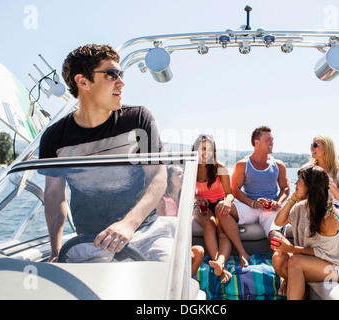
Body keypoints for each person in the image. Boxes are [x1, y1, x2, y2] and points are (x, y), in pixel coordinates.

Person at [39, 44, 171, 263]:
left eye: (120, 74)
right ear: (82, 82)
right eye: (111, 75)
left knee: (168, 287)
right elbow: (54, 194)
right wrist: (55, 251)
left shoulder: (138, 119)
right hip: (89, 241)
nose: (121, 82)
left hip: (146, 234)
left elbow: (158, 175)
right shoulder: (54, 137)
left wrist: (129, 224)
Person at [271, 166, 339, 300]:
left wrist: (292, 249)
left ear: (311, 186)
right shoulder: (301, 207)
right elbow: (279, 221)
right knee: (278, 257)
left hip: (336, 266)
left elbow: (323, 253)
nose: (295, 183)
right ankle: (301, 290)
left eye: (299, 181)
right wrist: (293, 198)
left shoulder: (328, 217)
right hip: (314, 262)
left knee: (296, 261)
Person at [217, 126, 290, 267]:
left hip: (270, 210)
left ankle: (285, 266)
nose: (272, 143)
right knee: (221, 208)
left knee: (276, 235)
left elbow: (285, 188)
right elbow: (235, 190)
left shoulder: (279, 165)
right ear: (257, 142)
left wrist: (278, 202)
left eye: (272, 140)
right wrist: (252, 203)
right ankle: (242, 252)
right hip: (248, 207)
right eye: (267, 140)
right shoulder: (243, 165)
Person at [192, 134, 236, 283]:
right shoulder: (191, 168)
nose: (207, 152)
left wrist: (227, 202)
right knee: (209, 225)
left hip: (220, 203)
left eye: (210, 149)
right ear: (196, 150)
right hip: (202, 205)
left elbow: (230, 194)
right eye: (203, 148)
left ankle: (220, 263)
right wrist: (198, 198)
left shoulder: (220, 168)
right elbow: (189, 193)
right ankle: (220, 266)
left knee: (222, 232)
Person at [156, 164, 205, 276]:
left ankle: (185, 283)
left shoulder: (185, 198)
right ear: (169, 178)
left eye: (183, 173)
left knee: (199, 252)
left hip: (182, 241)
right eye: (179, 174)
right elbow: (160, 229)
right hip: (168, 242)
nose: (183, 176)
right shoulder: (162, 201)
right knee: (189, 257)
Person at [307, 135, 339, 210]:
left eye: (315, 145)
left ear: (326, 148)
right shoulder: (307, 169)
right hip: (312, 207)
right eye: (311, 145)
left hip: (333, 208)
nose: (311, 148)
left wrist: (331, 185)